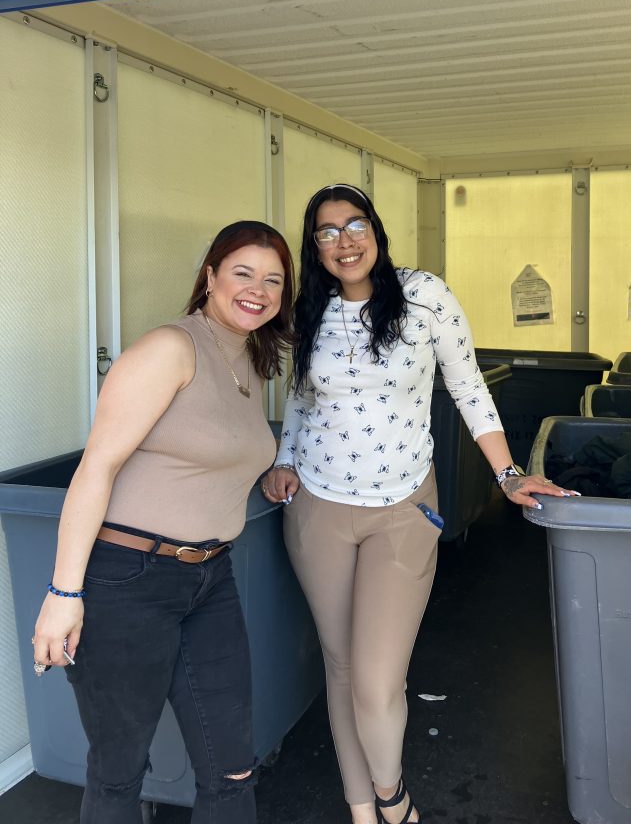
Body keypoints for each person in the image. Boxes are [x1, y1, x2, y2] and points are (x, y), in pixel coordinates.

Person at [261, 184, 576, 824]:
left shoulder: (424, 296)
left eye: (355, 225)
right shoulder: (309, 310)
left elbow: (469, 387)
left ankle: (392, 799)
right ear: (314, 247)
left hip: (402, 509)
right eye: (327, 231)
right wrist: (284, 459)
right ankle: (361, 809)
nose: (344, 241)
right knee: (341, 668)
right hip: (317, 509)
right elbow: (299, 397)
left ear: (376, 231)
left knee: (377, 679)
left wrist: (508, 474)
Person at [32, 220, 294, 824]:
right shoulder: (170, 349)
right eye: (243, 273)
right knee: (119, 772)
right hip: (128, 578)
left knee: (232, 767)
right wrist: (63, 594)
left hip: (210, 579)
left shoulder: (250, 360)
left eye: (273, 280)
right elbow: (97, 467)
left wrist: (271, 471)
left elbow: (208, 452)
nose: (258, 290)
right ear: (210, 276)